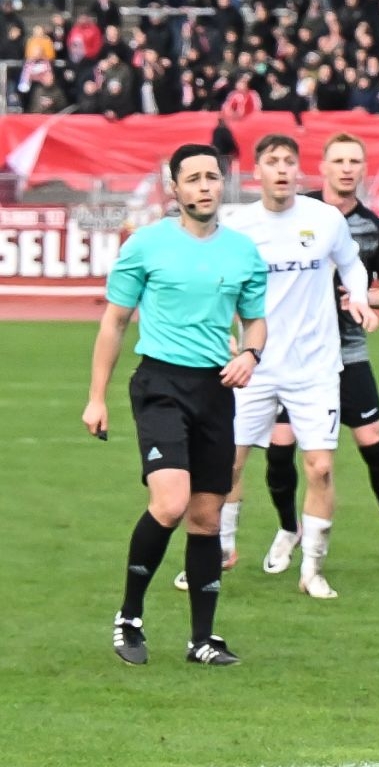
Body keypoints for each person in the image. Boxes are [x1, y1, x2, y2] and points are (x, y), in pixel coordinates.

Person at [85, 143, 269, 667]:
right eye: (194, 178)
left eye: (213, 177)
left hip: (216, 389)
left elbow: (255, 319)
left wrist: (252, 352)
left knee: (207, 518)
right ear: (175, 187)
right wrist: (96, 397)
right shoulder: (145, 245)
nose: (205, 186)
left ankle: (202, 641)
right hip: (160, 384)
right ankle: (129, 618)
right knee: (169, 503)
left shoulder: (241, 251)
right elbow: (114, 322)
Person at [217, 134, 378, 599]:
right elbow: (220, 282)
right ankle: (221, 552)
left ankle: (312, 569)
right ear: (258, 171)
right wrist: (222, 330)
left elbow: (351, 266)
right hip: (256, 363)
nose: (283, 169)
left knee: (320, 468)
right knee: (228, 463)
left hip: (315, 367)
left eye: (290, 161)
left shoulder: (324, 220)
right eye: (273, 162)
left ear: (299, 170)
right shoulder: (238, 226)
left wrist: (360, 299)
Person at [254, 134, 379, 579]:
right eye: (338, 161)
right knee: (280, 447)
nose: (347, 168)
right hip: (291, 354)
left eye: (355, 161)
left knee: (373, 442)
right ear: (323, 168)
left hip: (347, 350)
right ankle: (287, 529)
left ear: (363, 169)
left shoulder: (372, 228)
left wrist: (364, 298)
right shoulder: (297, 212)